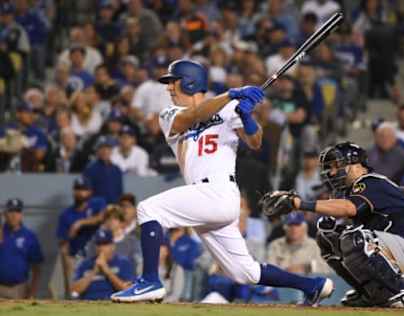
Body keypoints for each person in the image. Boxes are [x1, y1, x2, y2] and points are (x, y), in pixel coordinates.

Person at [111, 59, 333, 305]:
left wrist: (246, 117)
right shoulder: (170, 113)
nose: (169, 88)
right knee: (243, 272)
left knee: (148, 209)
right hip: (204, 195)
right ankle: (313, 285)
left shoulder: (229, 108)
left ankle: (150, 281)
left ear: (189, 82)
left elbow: (256, 142)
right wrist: (231, 95)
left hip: (220, 190)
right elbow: (193, 116)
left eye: (172, 82)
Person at [260, 142, 404, 308]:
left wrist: (300, 204)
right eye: (329, 167)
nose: (331, 172)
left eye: (336, 165)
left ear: (356, 165)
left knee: (355, 238)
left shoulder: (370, 181)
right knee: (327, 236)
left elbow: (349, 209)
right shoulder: (353, 189)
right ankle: (371, 292)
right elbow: (341, 215)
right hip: (398, 251)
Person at [57, 177, 107, 295]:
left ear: (90, 191)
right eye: (78, 189)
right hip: (77, 257)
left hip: (97, 256)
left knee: (98, 290)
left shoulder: (97, 203)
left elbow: (101, 217)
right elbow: (63, 243)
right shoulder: (66, 214)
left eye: (84, 189)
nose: (81, 192)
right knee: (74, 293)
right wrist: (66, 260)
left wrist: (80, 223)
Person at [71, 229, 135, 300]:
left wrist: (107, 270)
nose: (101, 248)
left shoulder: (123, 263)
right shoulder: (85, 264)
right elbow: (74, 290)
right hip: (89, 303)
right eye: (99, 244)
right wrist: (94, 271)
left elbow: (127, 290)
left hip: (113, 303)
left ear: (112, 246)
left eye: (105, 244)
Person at [0, 198, 43, 299]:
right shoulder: (1, 232)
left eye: (17, 211)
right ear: (5, 214)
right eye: (11, 211)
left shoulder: (29, 236)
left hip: (19, 289)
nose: (14, 215)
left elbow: (37, 268)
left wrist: (32, 292)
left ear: (21, 214)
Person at [83, 136, 123, 204]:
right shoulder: (90, 170)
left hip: (114, 208)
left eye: (108, 148)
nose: (105, 151)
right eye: (102, 148)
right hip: (97, 208)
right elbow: (87, 193)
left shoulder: (117, 169)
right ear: (97, 150)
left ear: (111, 150)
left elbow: (119, 191)